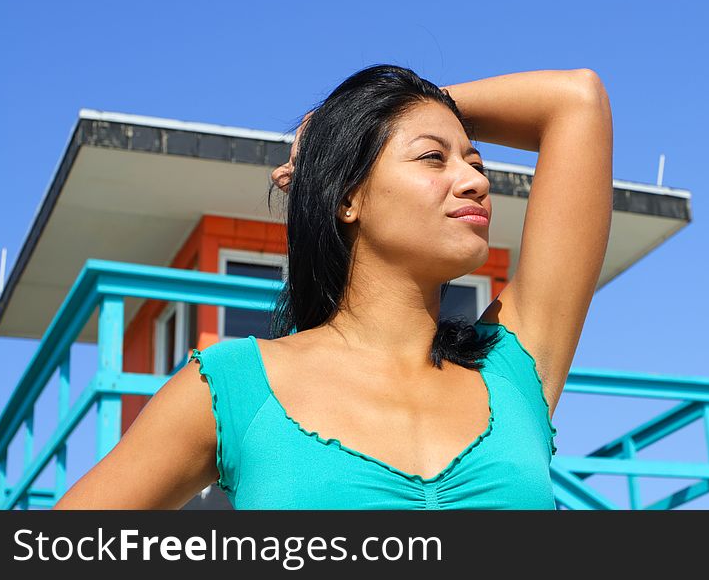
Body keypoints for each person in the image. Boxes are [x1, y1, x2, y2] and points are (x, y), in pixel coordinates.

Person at [53, 64, 612, 509]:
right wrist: (346, 127)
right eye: (432, 157)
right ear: (348, 198)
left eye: (474, 160)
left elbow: (576, 100)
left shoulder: (513, 366)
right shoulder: (234, 388)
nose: (475, 181)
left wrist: (379, 113)